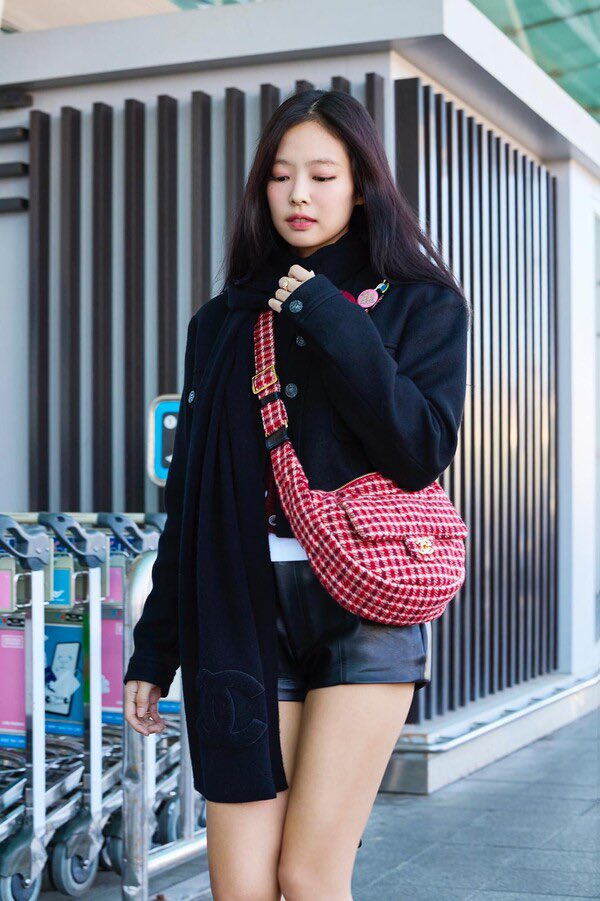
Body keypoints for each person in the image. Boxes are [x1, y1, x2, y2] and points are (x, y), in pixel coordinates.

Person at [123, 89, 470, 900]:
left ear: (362, 186)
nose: (299, 194)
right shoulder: (222, 322)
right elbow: (190, 498)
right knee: (241, 885)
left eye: (322, 174)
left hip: (365, 606)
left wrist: (329, 313)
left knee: (310, 876)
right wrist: (155, 648)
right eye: (281, 176)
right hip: (240, 610)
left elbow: (418, 449)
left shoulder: (421, 303)